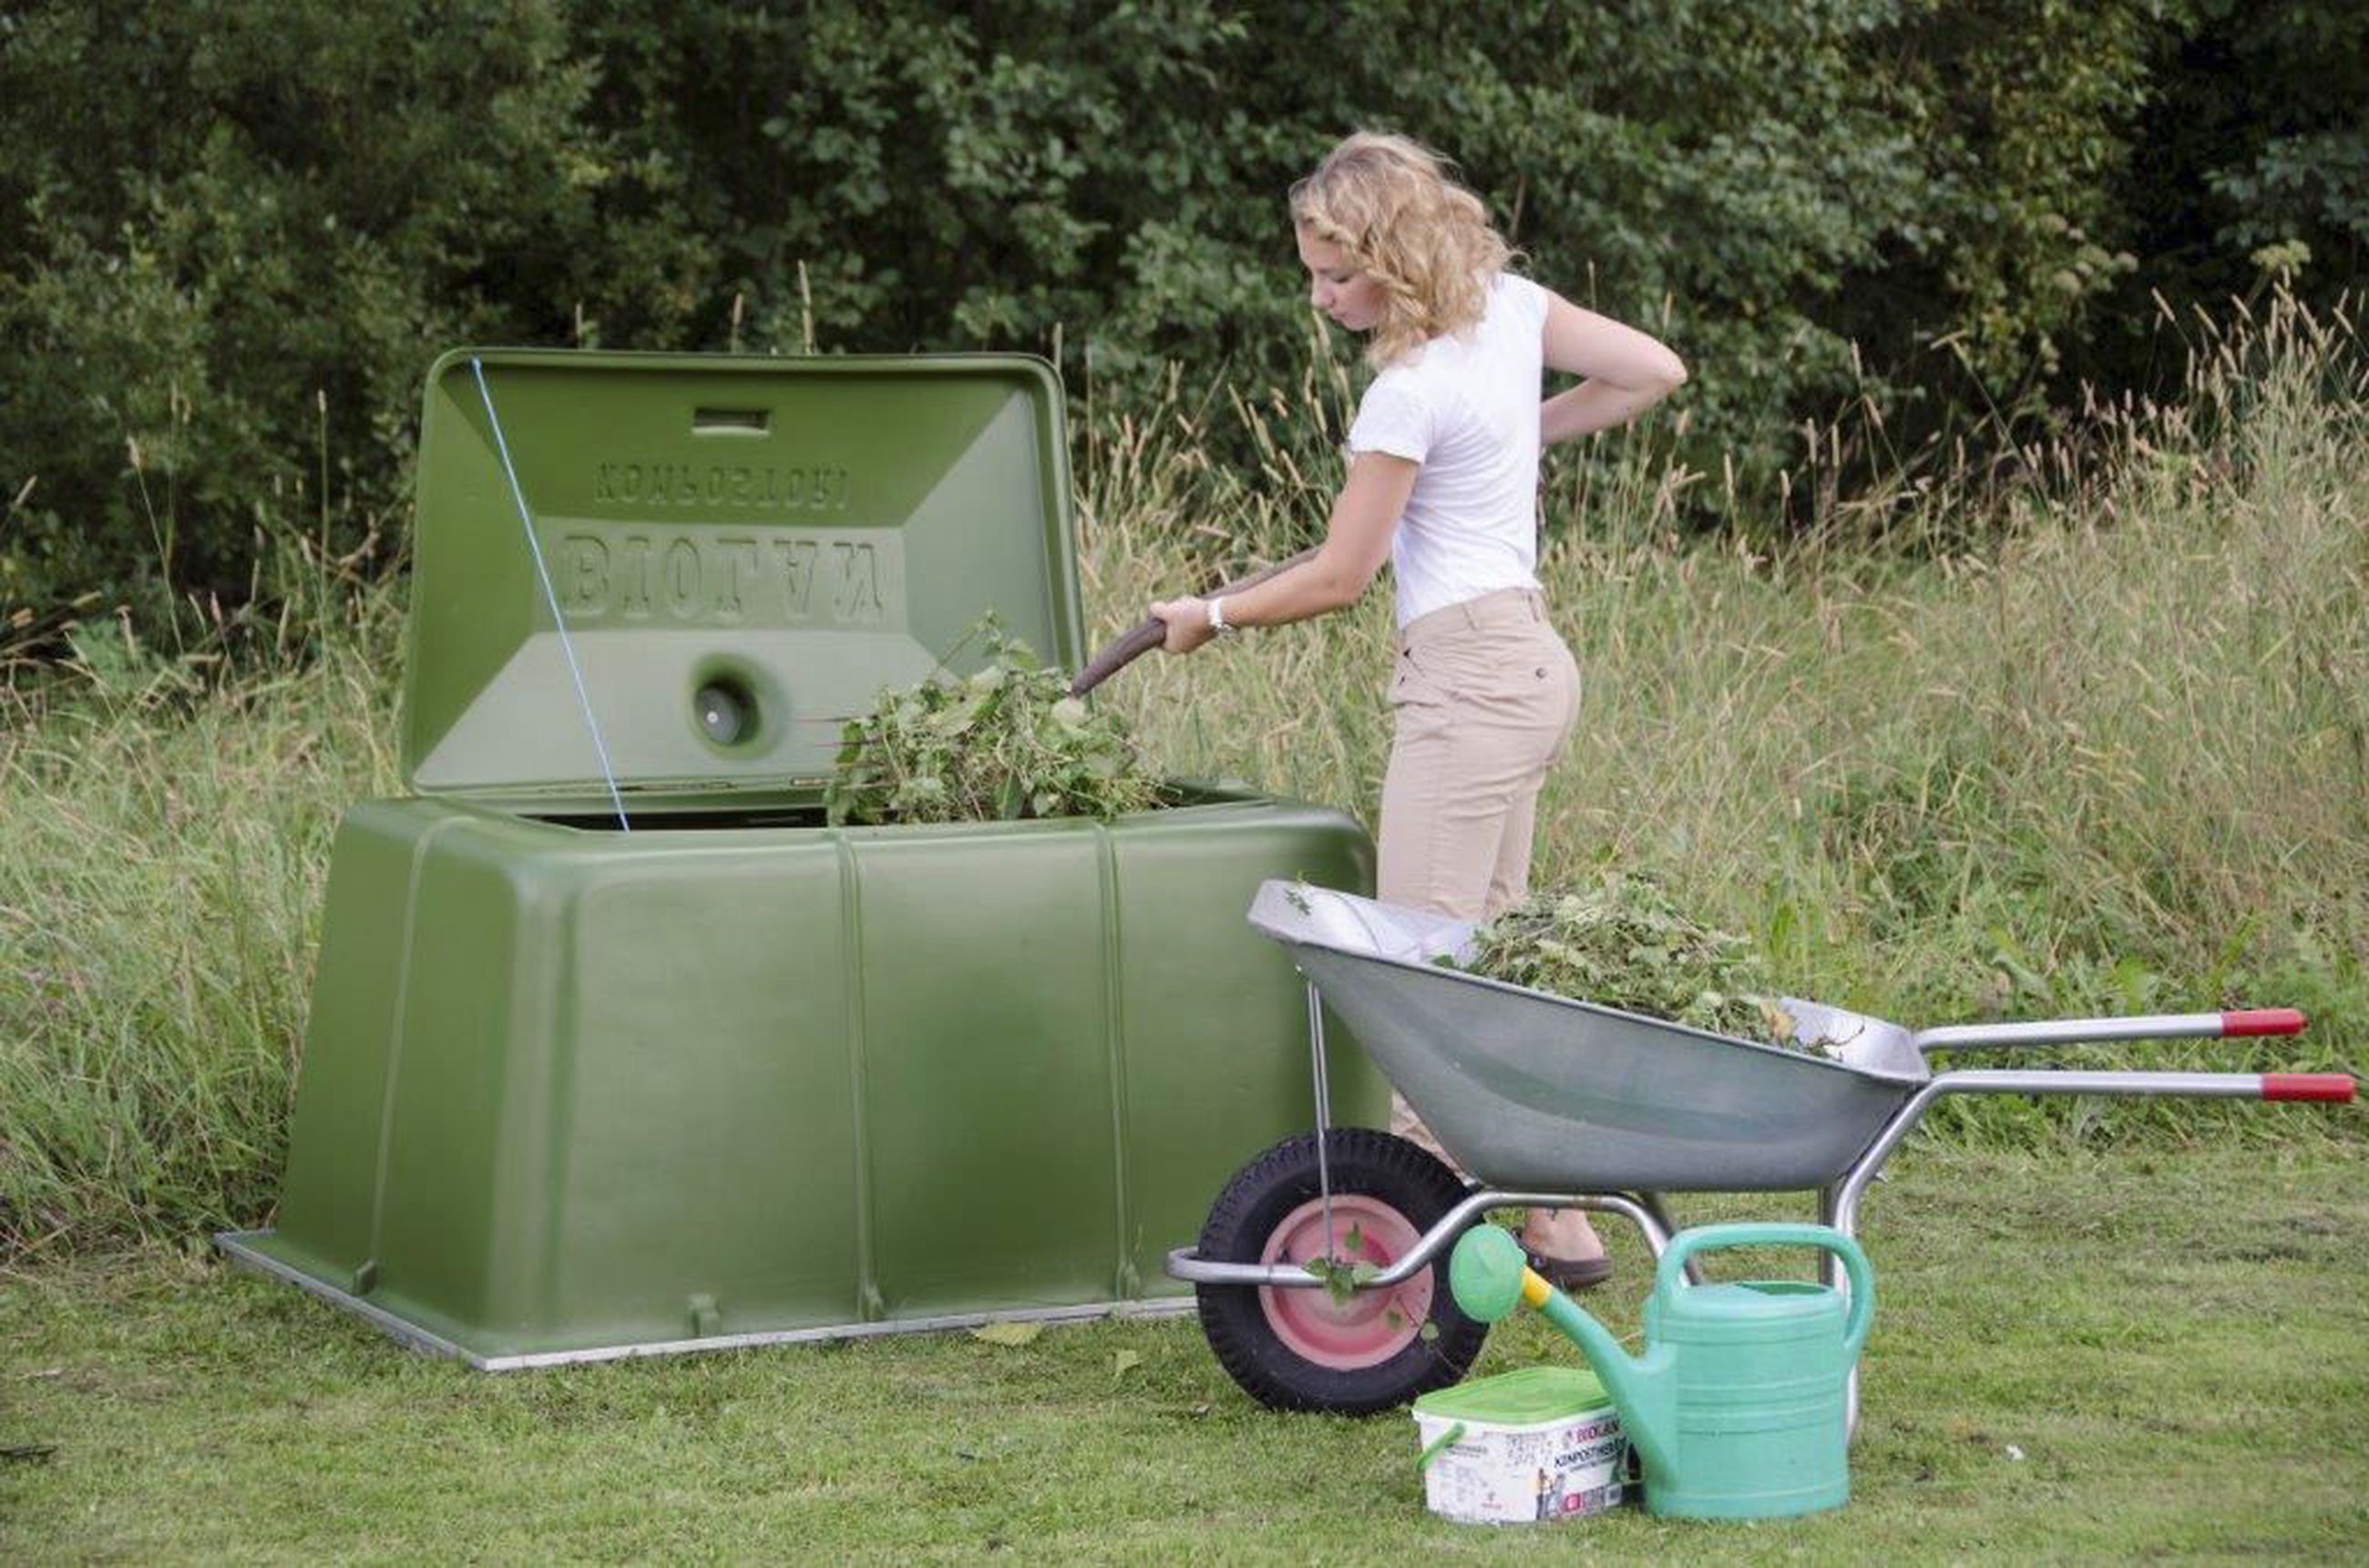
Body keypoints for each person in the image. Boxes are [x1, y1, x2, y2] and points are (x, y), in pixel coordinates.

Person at [1149, 131, 1687, 1286]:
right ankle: (1555, 1220)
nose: (1319, 295)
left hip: (1466, 680)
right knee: (1483, 960)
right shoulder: (1507, 308)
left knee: (1421, 982)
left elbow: (1341, 576)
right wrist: (1517, 435)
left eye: (1336, 274)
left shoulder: (1405, 393)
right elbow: (1654, 370)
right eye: (1309, 271)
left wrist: (1216, 617)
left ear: (1393, 259)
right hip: (1530, 666)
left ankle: (1397, 1266)